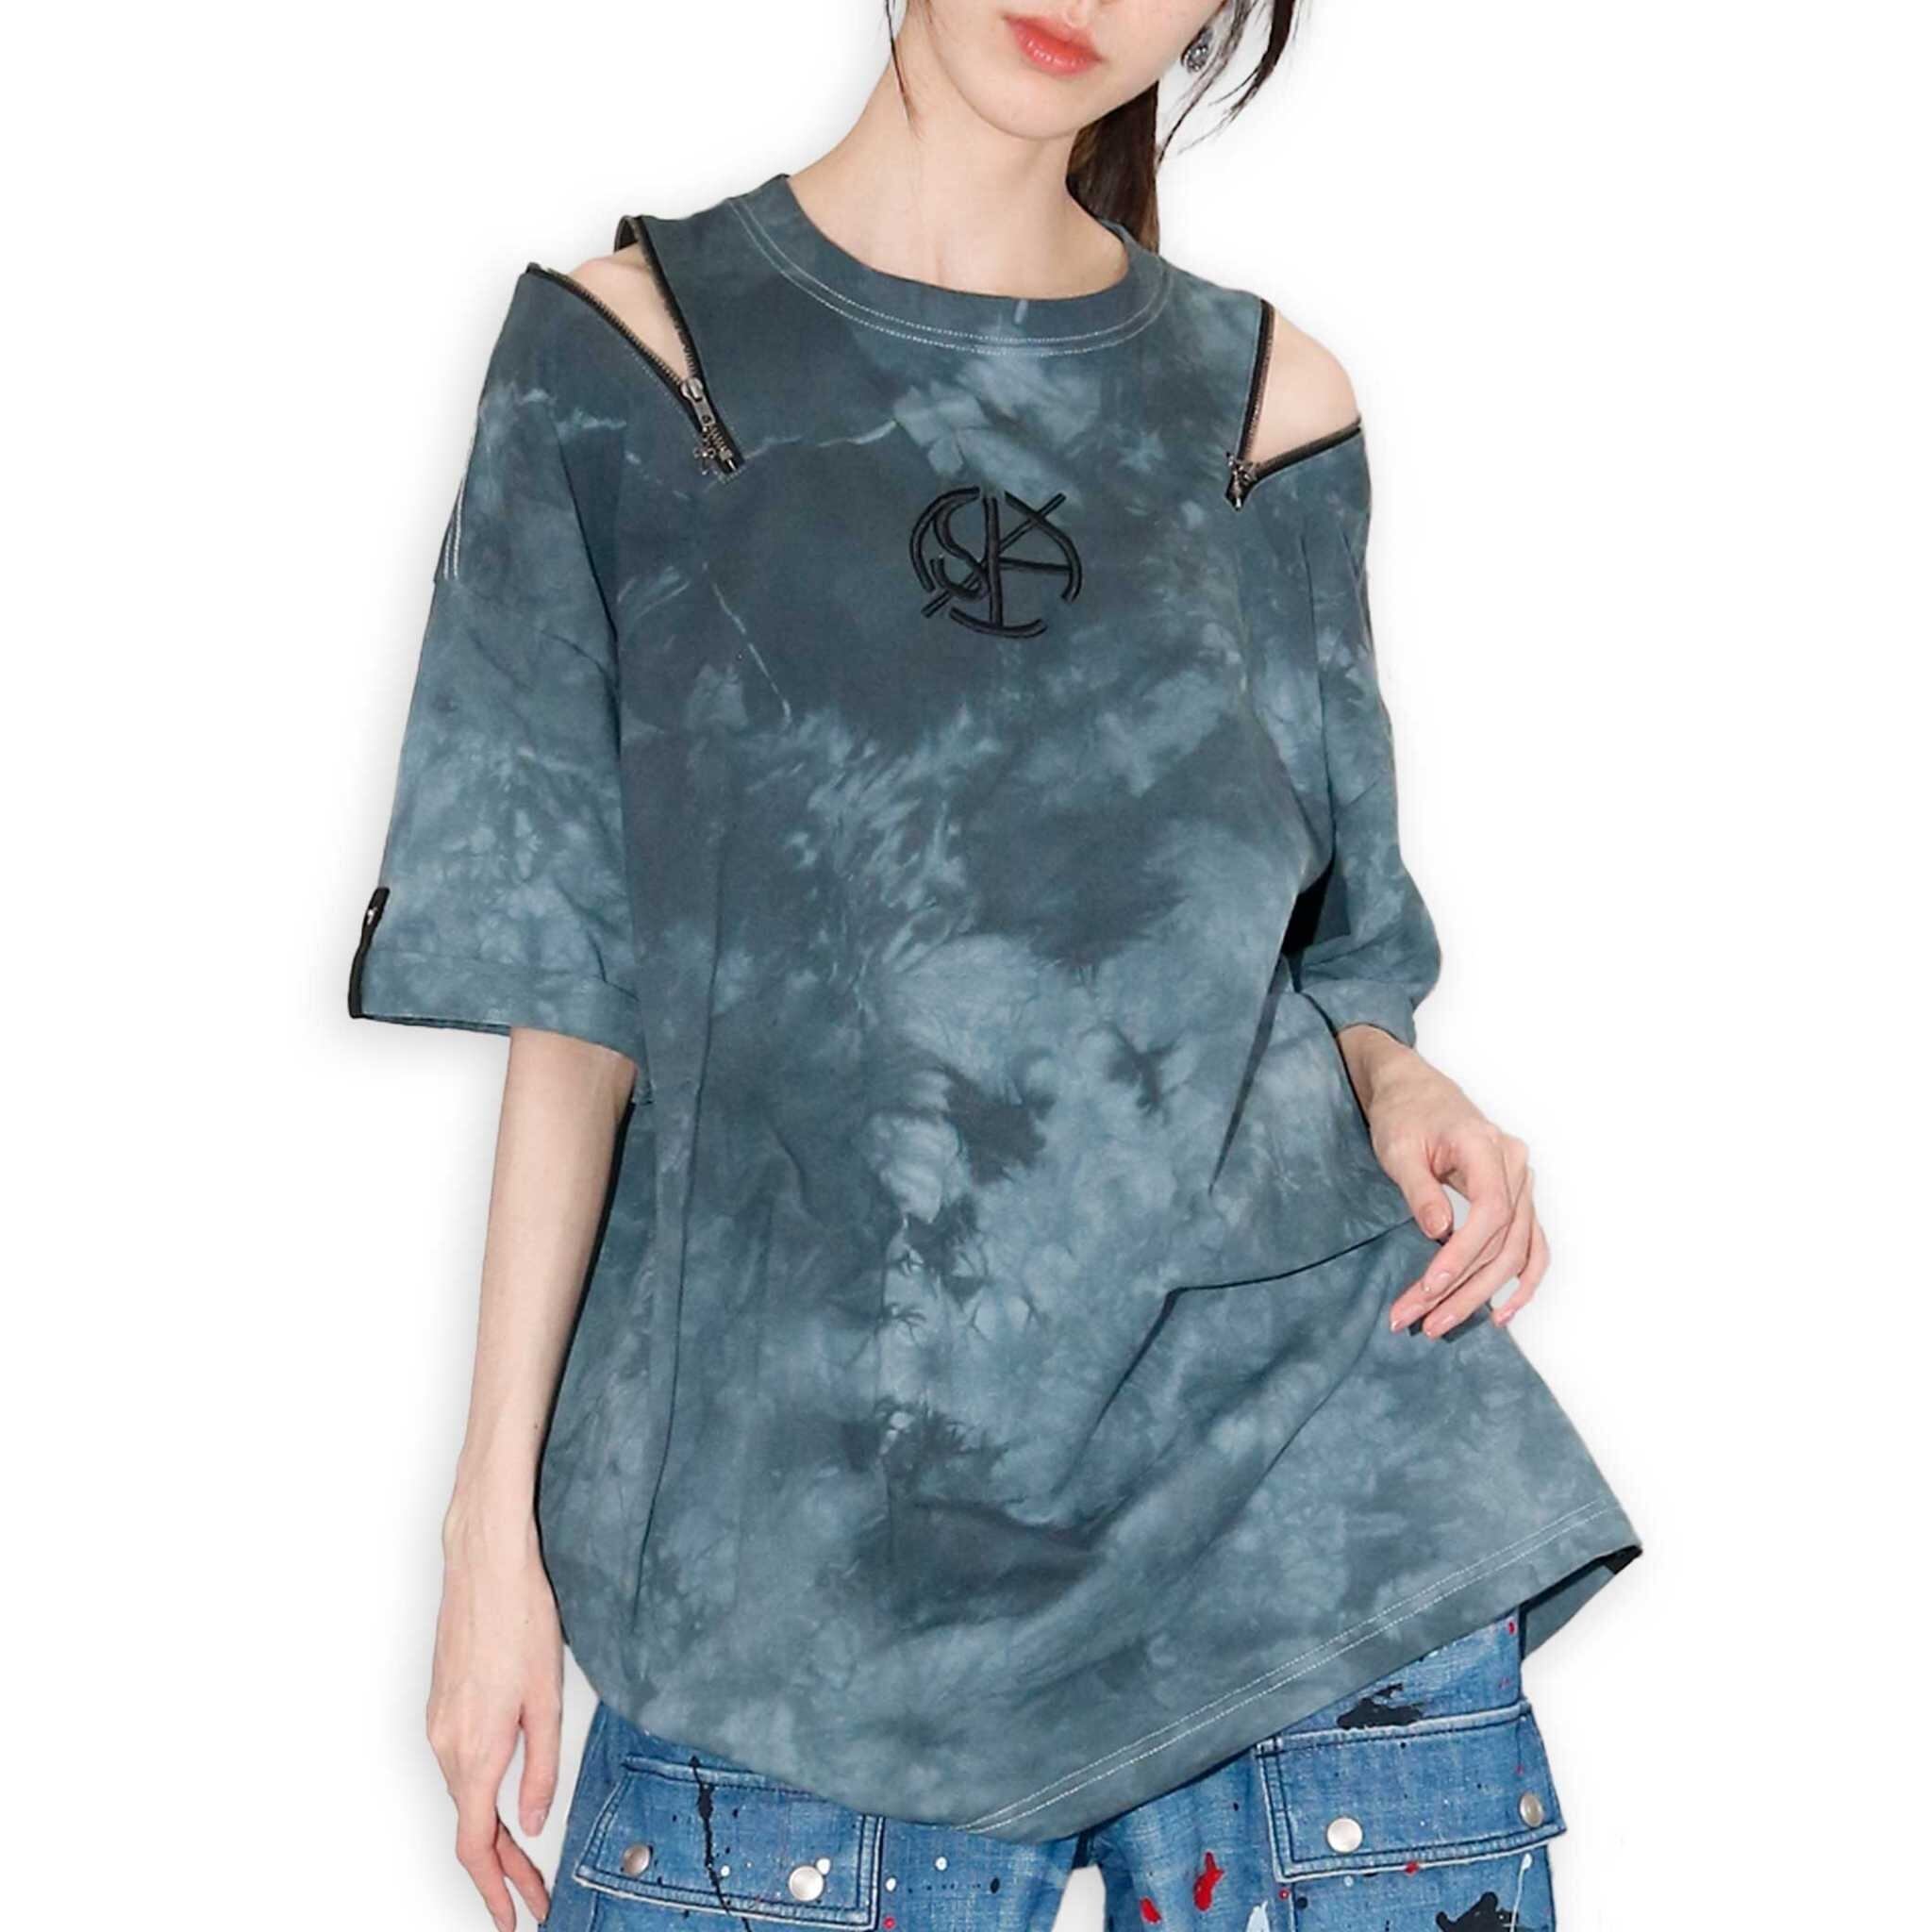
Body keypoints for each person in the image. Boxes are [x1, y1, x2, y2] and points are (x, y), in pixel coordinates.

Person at [348, 5, 1641, 1927]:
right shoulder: (633, 362)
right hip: (788, 1572)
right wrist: (490, 1534)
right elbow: (578, 989)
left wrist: (1396, 1069)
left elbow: (1332, 937)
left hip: (1305, 1532)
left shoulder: (1265, 409)